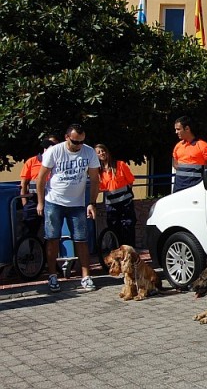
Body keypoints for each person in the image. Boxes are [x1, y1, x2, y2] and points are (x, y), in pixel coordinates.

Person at [36, 124, 101, 292]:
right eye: (75, 142)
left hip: (77, 203)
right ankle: (52, 276)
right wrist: (40, 202)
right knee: (53, 238)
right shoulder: (55, 151)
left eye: (81, 142)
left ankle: (86, 276)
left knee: (81, 239)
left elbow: (95, 179)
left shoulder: (89, 152)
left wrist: (92, 202)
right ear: (67, 138)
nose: (78, 145)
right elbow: (41, 178)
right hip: (54, 201)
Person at [95, 144, 137, 248]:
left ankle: (130, 255)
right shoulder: (98, 171)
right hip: (112, 206)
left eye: (103, 151)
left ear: (107, 152)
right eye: (98, 152)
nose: (101, 153)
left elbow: (130, 181)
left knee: (128, 228)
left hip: (125, 203)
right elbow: (99, 188)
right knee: (114, 230)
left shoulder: (120, 165)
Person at [19, 135, 59, 239]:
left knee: (51, 231)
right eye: (49, 144)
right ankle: (29, 252)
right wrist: (25, 204)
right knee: (29, 229)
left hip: (52, 198)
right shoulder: (32, 161)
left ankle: (48, 253)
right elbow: (23, 184)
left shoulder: (58, 162)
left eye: (55, 145)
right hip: (33, 199)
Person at [172, 115, 207, 193]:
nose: (176, 132)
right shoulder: (178, 146)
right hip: (178, 188)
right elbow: (175, 165)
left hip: (196, 189)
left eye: (178, 129)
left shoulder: (203, 146)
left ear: (187, 128)